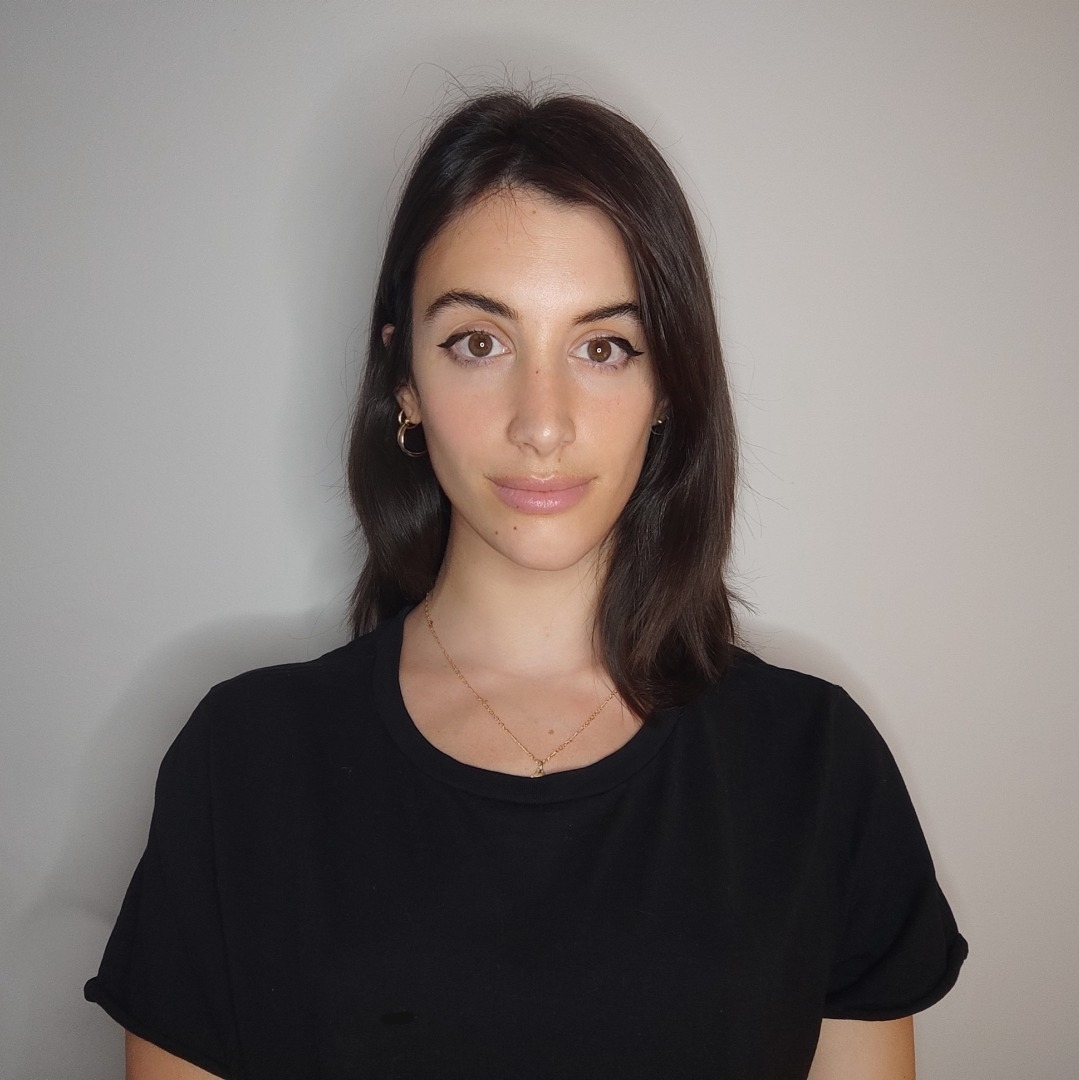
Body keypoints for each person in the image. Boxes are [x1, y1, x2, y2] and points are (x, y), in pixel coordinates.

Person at [86, 91, 966, 1079]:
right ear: (404, 381)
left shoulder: (815, 769)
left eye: (603, 347)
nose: (541, 422)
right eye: (479, 342)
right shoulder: (242, 767)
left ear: (666, 388)